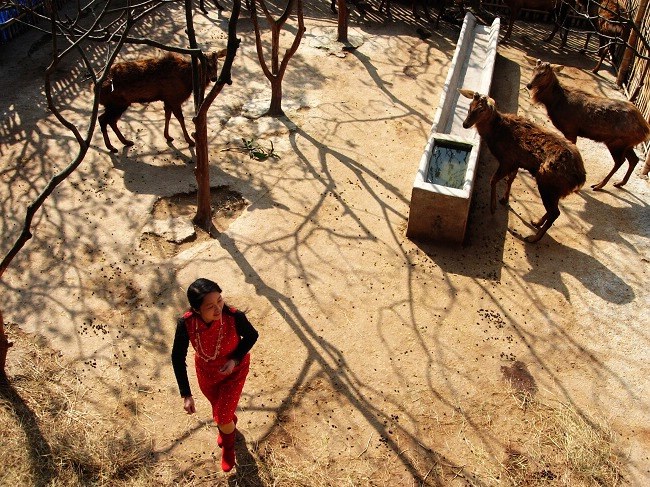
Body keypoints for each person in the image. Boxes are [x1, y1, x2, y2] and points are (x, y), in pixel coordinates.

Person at [171, 278, 258, 472]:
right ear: (196, 310)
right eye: (210, 306)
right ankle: (228, 426)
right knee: (220, 411)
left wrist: (234, 360)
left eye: (219, 300)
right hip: (207, 373)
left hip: (234, 371)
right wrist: (186, 394)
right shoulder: (186, 323)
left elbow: (252, 335)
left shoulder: (234, 317)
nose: (218, 308)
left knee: (222, 415)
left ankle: (229, 447)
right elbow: (177, 357)